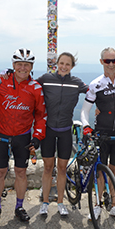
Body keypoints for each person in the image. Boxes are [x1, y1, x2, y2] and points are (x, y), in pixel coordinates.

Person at [0, 48, 46, 223]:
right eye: (19, 64)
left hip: (22, 136)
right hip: (1, 134)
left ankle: (19, 207)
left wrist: (37, 136)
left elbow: (41, 115)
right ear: (13, 65)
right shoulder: (1, 81)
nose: (23, 68)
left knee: (21, 172)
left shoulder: (36, 88)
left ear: (31, 67)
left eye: (27, 64)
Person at [81, 47, 115, 221]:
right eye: (107, 61)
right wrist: (86, 126)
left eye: (114, 60)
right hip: (102, 134)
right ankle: (97, 205)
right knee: (100, 171)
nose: (111, 64)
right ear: (101, 61)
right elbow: (85, 110)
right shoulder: (96, 84)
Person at [37, 52, 89, 216]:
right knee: (47, 167)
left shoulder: (76, 83)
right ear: (57, 64)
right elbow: (27, 84)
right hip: (48, 130)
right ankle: (45, 202)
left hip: (65, 130)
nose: (64, 67)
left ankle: (60, 202)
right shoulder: (46, 79)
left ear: (72, 66)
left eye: (68, 64)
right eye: (61, 63)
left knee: (61, 168)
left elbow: (94, 93)